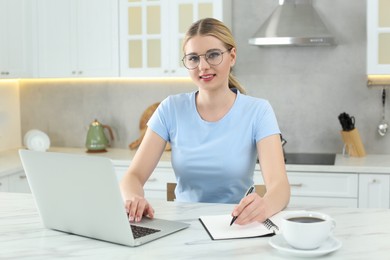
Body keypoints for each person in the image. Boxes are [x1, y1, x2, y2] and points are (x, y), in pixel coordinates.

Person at [120, 18, 290, 226]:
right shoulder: (170, 108)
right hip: (184, 225)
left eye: (213, 55)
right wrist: (133, 198)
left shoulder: (258, 111)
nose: (203, 66)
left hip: (238, 225)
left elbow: (280, 187)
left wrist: (263, 206)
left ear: (232, 56)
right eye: (193, 58)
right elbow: (133, 176)